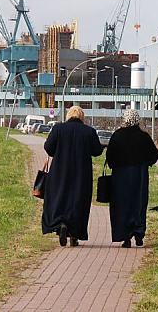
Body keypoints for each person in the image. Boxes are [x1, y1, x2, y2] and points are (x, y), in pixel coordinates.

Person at [42, 105, 104, 246]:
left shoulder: (58, 129)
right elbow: (96, 151)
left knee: (60, 198)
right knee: (78, 201)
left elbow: (48, 148)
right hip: (81, 174)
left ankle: (61, 224)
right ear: (82, 117)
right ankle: (74, 234)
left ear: (68, 115)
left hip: (60, 172)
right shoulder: (89, 131)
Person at [105, 109, 158, 248]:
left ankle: (126, 236)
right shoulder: (143, 136)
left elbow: (110, 156)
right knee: (139, 203)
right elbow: (154, 155)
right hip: (139, 175)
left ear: (125, 120)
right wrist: (147, 163)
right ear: (137, 120)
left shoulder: (117, 135)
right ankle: (138, 233)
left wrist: (114, 165)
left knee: (122, 205)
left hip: (120, 177)